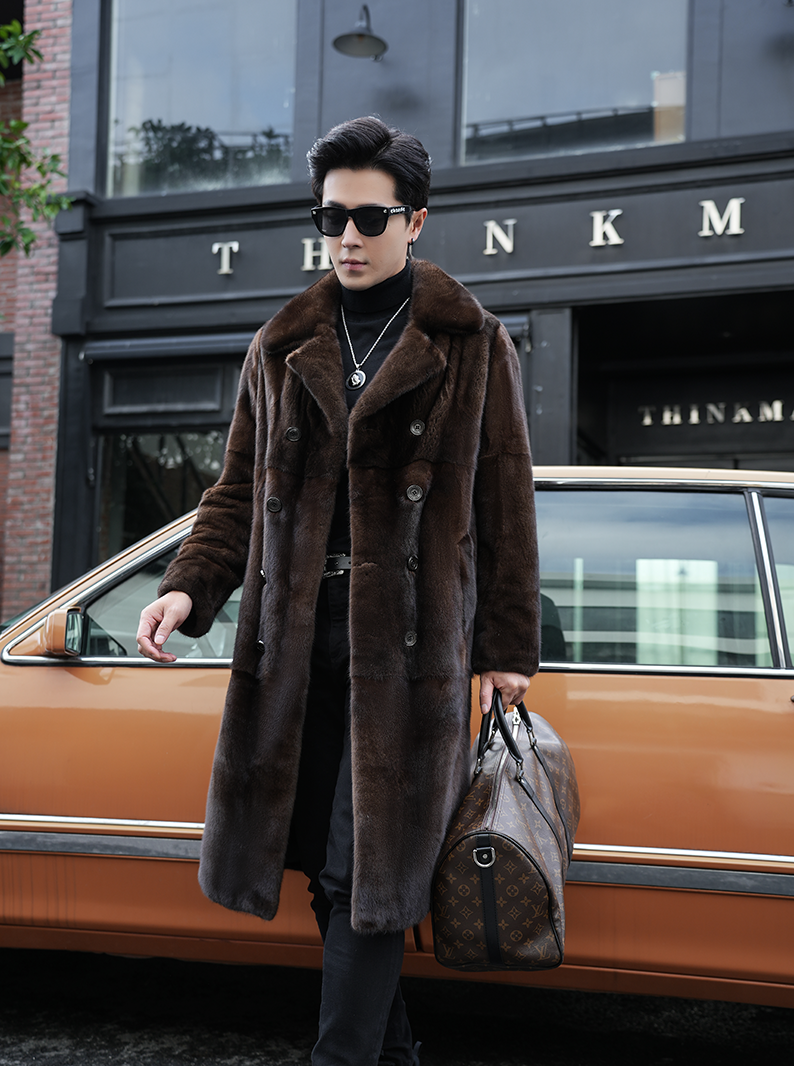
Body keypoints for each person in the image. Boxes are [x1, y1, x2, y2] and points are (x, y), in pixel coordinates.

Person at [136, 116, 540, 1066]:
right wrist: (188, 587)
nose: (347, 237)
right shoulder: (281, 345)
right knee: (329, 869)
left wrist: (506, 650)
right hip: (296, 649)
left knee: (368, 874)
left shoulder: (472, 343)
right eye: (331, 218)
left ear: (416, 221)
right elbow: (235, 493)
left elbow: (506, 506)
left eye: (369, 217)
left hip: (406, 655)